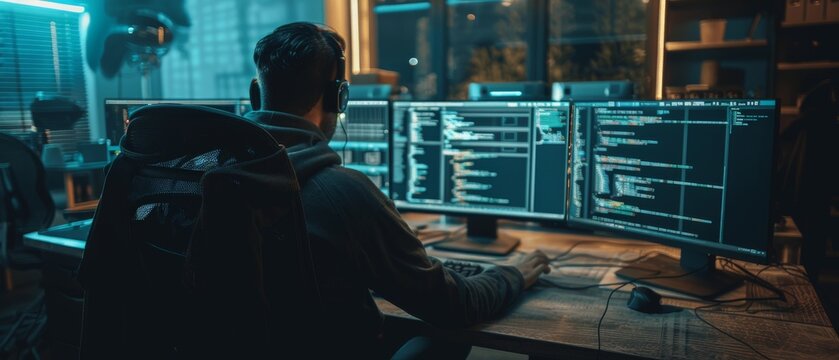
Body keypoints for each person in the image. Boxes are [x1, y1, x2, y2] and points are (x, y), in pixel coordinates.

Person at [245, 22, 551, 359]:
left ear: (256, 94)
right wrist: (514, 274)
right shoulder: (343, 192)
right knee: (450, 337)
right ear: (338, 97)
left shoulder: (213, 175)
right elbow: (455, 306)